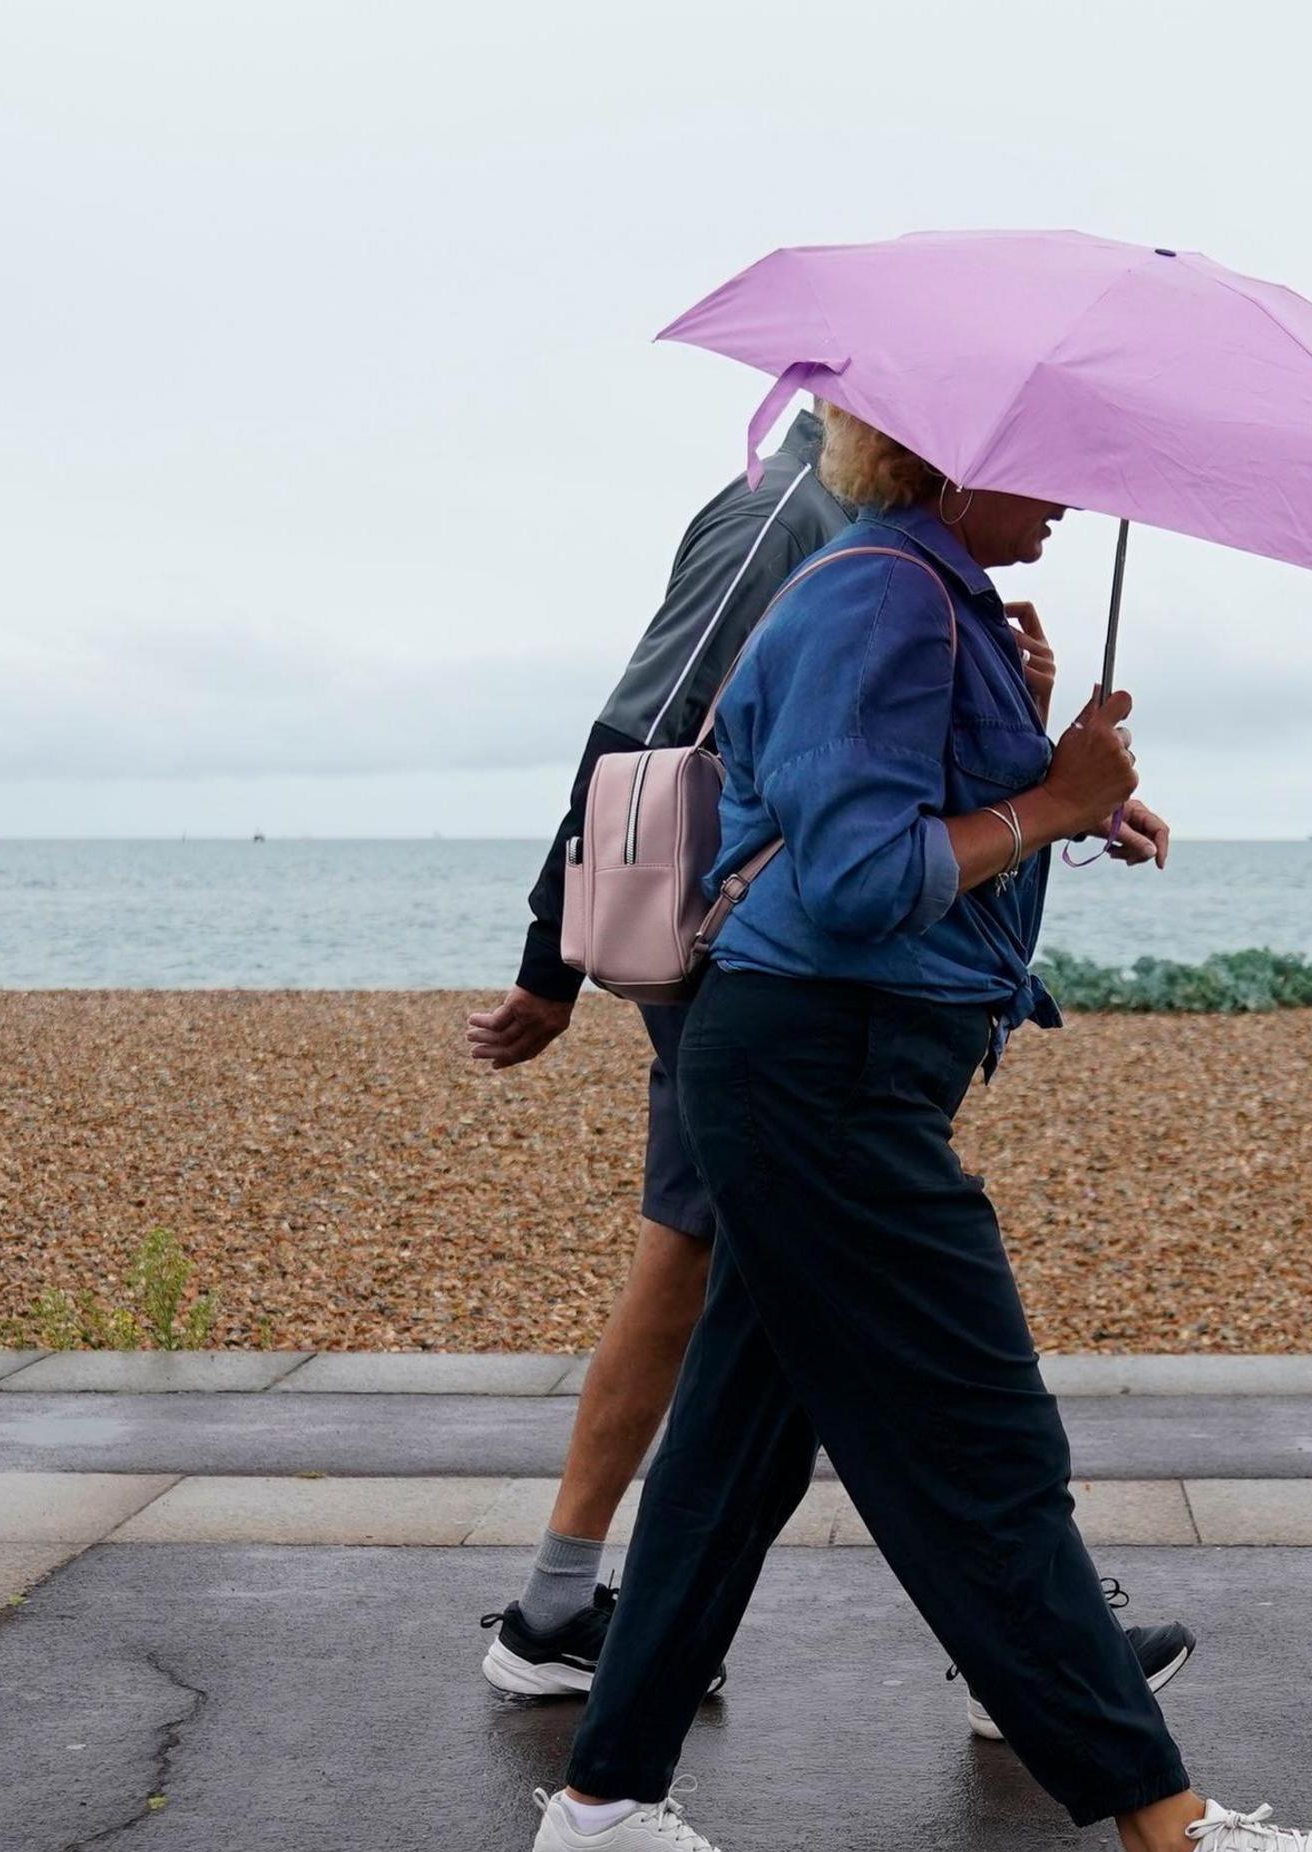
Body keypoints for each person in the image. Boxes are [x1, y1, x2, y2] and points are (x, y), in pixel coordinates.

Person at [510, 407, 1312, 1852]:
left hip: (820, 1069)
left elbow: (883, 816)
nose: (1067, 492)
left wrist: (1073, 801)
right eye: (1040, 459)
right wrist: (1047, 806)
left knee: (732, 1456)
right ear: (937, 455)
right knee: (978, 1444)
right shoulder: (877, 597)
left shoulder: (930, 596)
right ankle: (1174, 1848)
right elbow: (853, 881)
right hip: (823, 1076)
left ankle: (598, 1814)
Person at [462, 409, 1194, 1736]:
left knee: (756, 1337)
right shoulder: (791, 520)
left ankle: (602, 1702)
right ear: (938, 430)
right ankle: (568, 1614)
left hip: (801, 969)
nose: (1072, 492)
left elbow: (887, 766)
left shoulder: (902, 558)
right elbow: (641, 728)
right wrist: (551, 965)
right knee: (755, 1284)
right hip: (756, 968)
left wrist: (1046, 771)